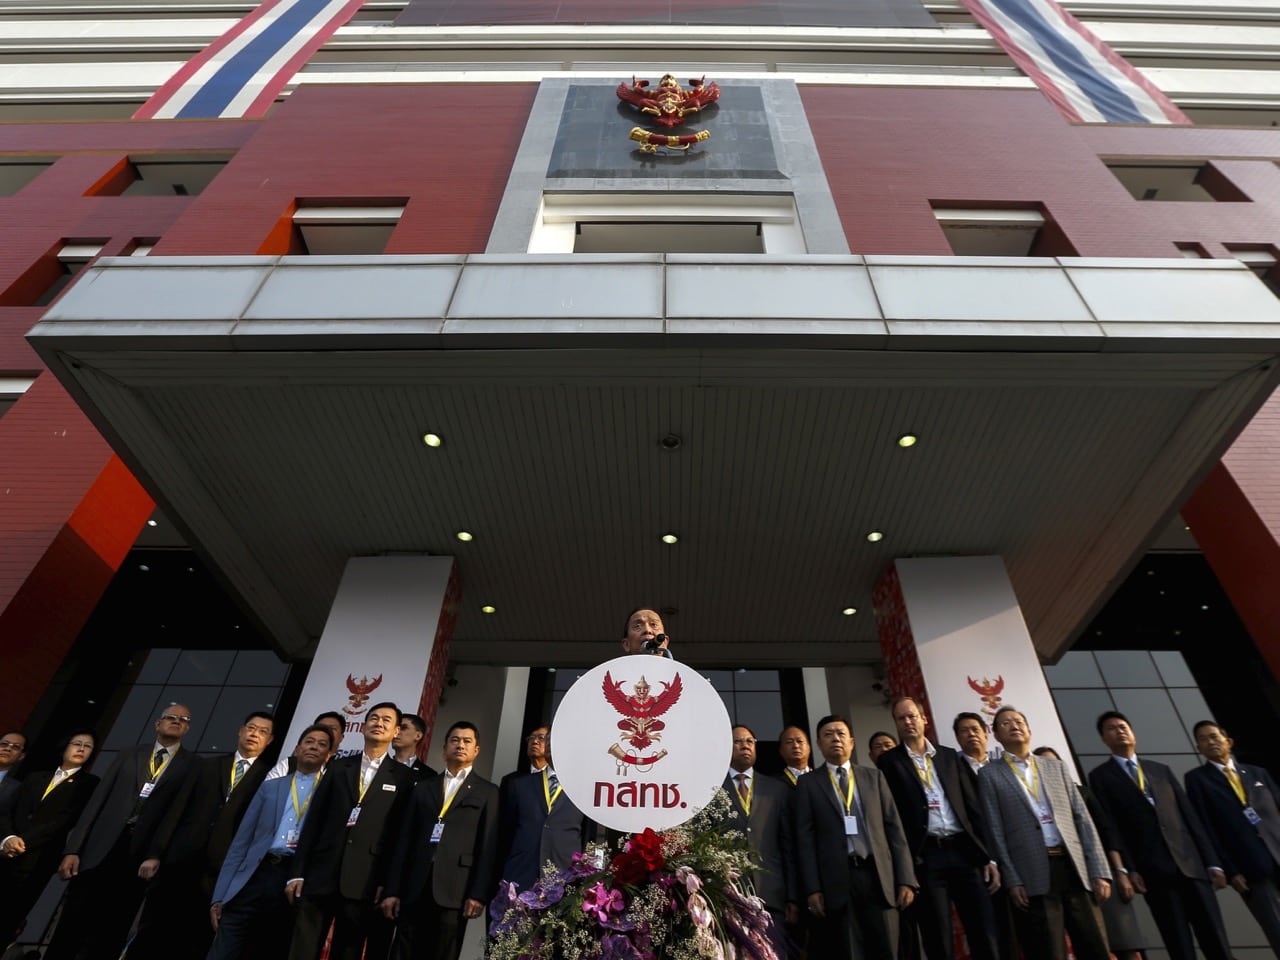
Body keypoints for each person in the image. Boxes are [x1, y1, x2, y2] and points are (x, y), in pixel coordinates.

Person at [45, 705, 199, 960]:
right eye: (171, 717)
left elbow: (177, 814)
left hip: (138, 857)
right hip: (97, 850)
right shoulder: (129, 754)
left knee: (111, 932)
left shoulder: (192, 765)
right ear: (157, 723)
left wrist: (156, 854)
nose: (176, 721)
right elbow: (97, 802)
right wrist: (73, 849)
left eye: (183, 719)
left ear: (188, 728)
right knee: (71, 924)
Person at [130, 712, 276, 960]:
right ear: (240, 731)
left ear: (270, 740)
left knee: (195, 941)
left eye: (262, 731)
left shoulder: (269, 778)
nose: (254, 734)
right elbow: (176, 810)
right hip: (178, 863)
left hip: (219, 873)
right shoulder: (206, 765)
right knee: (151, 934)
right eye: (251, 728)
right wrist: (156, 853)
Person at [1087, 711, 1230, 960]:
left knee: (1216, 940)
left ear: (1133, 734)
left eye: (1123, 726)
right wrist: (1128, 869)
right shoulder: (1100, 776)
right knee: (1179, 944)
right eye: (1112, 728)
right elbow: (1111, 827)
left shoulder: (1160, 770)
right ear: (1103, 739)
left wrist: (1212, 861)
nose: (1119, 731)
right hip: (1152, 871)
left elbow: (1190, 818)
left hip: (1192, 866)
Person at [977, 706, 1111, 960]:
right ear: (995, 735)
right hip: (1032, 871)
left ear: (1029, 729)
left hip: (1073, 867)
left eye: (1018, 721)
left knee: (1095, 946)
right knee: (1049, 950)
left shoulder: (1055, 767)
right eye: (1005, 723)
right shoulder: (989, 775)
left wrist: (1099, 870)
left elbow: (1083, 820)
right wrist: (1013, 879)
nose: (1014, 725)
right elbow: (995, 831)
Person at [286, 701, 414, 960]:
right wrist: (297, 872)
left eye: (386, 720)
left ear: (395, 732)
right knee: (301, 949)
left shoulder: (403, 777)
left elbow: (399, 838)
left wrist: (388, 884)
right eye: (374, 718)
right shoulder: (338, 766)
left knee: (348, 951)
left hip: (364, 881)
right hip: (320, 873)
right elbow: (314, 821)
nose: (378, 723)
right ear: (364, 725)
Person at [877, 698, 999, 960]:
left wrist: (987, 855)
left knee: (984, 931)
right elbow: (891, 819)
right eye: (901, 719)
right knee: (937, 936)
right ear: (896, 724)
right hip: (926, 857)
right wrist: (905, 869)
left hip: (964, 852)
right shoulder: (889, 762)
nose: (908, 722)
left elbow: (972, 808)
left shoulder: (949, 757)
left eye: (912, 716)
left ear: (924, 719)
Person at [794, 714, 916, 960]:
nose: (835, 739)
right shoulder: (808, 783)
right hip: (837, 881)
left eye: (840, 734)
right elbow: (804, 840)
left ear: (852, 742)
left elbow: (895, 830)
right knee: (849, 951)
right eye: (828, 735)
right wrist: (812, 888)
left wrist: (906, 879)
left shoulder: (874, 777)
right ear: (818, 744)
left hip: (878, 876)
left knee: (887, 948)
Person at [207, 725, 334, 960]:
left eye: (322, 744)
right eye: (308, 741)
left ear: (329, 755)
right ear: (297, 749)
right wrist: (220, 895)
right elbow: (240, 843)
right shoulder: (269, 787)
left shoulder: (332, 793)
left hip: (292, 880)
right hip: (252, 876)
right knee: (222, 952)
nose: (314, 746)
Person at [381, 721, 500, 960]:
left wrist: (478, 894)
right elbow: (404, 841)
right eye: (455, 740)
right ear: (444, 749)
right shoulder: (424, 787)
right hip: (415, 885)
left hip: (455, 889)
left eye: (467, 741)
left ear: (476, 750)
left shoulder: (488, 792)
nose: (460, 745)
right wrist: (392, 889)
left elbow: (488, 847)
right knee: (402, 951)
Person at [1033, 747, 1144, 960]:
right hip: (1062, 877)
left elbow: (1105, 832)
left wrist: (1118, 871)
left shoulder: (1082, 792)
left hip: (1097, 873)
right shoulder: (1037, 802)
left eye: (1054, 763)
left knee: (1120, 941)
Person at [1185, 719, 1280, 954]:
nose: (1210, 742)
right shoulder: (1197, 779)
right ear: (1199, 748)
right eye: (1203, 739)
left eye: (1214, 736)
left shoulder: (1258, 773)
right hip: (1250, 868)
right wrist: (1230, 869)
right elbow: (1206, 828)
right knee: (1276, 928)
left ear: (1228, 742)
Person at [0, 731, 98, 946]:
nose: (81, 748)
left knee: (8, 920)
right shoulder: (35, 777)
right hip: (5, 853)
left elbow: (64, 820)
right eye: (77, 743)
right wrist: (7, 837)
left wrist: (22, 841)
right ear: (65, 748)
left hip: (37, 859)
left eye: (87, 746)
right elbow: (7, 811)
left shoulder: (89, 784)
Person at [499, 726, 593, 891]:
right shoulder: (520, 785)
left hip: (565, 881)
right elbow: (504, 836)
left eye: (554, 739)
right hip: (521, 878)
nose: (549, 743)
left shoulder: (584, 790)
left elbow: (588, 839)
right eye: (548, 739)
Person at [723, 724, 794, 922]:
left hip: (772, 895)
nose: (744, 745)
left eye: (749, 741)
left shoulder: (776, 789)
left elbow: (788, 845)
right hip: (729, 893)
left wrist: (793, 897)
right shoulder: (713, 790)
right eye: (737, 741)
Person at [266, 712, 345, 781]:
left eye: (332, 728)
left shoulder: (343, 770)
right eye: (321, 727)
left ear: (341, 737)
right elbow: (266, 791)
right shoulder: (289, 764)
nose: (326, 731)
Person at [393, 715, 438, 782]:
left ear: (418, 736)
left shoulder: (429, 776)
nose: (396, 732)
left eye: (403, 728)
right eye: (395, 728)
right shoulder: (379, 765)